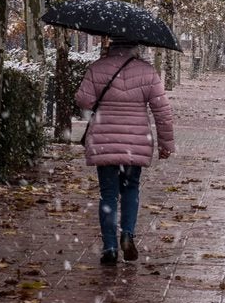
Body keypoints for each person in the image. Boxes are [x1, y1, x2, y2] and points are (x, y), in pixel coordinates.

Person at [75, 39, 176, 265]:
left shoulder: (97, 68)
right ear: (135, 47)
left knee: (108, 194)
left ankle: (109, 247)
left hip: (105, 141)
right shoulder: (147, 72)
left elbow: (83, 100)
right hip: (134, 142)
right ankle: (128, 234)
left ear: (112, 45)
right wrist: (166, 144)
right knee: (130, 189)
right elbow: (163, 111)